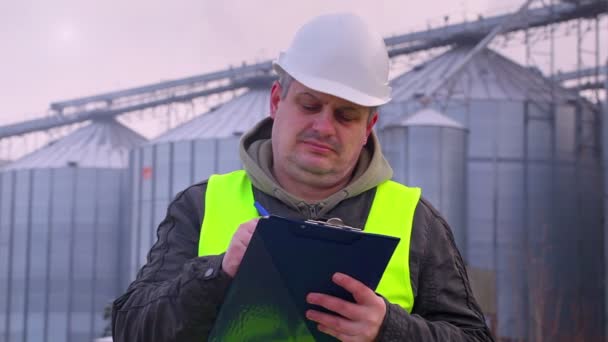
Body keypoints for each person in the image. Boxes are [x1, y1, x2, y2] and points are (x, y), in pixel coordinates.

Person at [112, 13, 494, 342]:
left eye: (346, 115)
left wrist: (388, 329)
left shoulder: (415, 220)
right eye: (309, 105)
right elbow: (131, 328)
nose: (324, 126)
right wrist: (217, 274)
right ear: (277, 101)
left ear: (368, 126)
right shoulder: (202, 205)